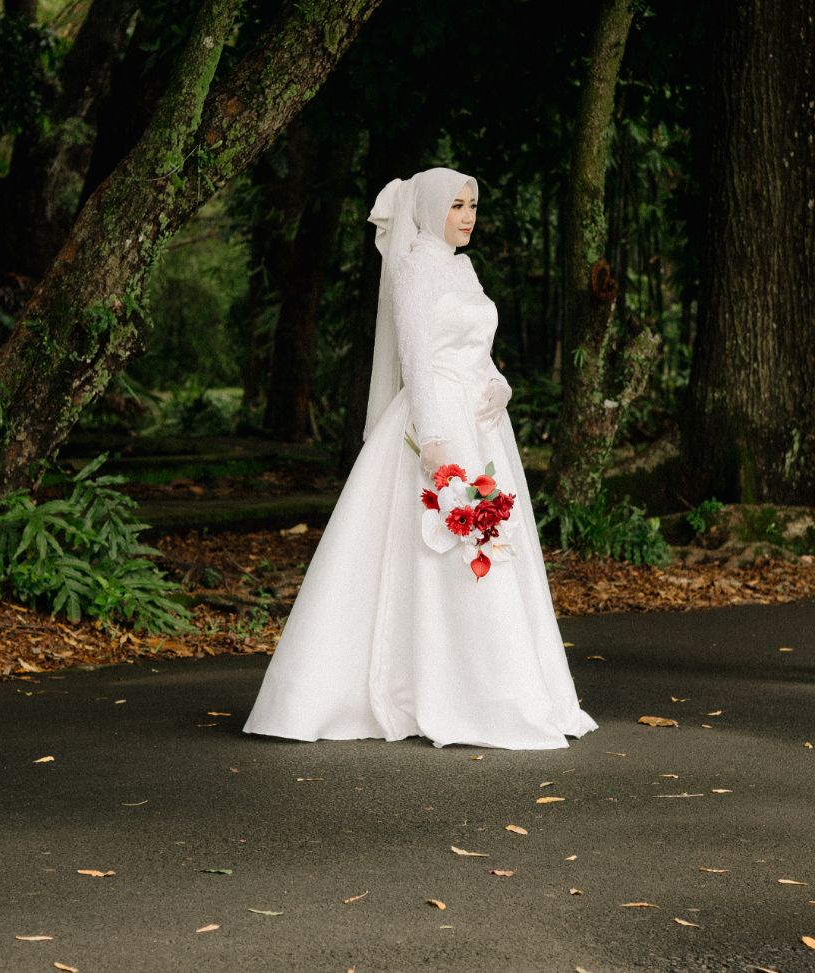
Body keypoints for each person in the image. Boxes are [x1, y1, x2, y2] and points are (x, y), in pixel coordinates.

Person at [244, 167, 597, 748]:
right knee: (439, 543)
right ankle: (425, 688)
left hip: (481, 424)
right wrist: (434, 440)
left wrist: (498, 384)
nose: (467, 216)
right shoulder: (413, 268)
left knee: (489, 546)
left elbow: (476, 349)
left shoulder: (463, 268)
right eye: (456, 205)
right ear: (431, 210)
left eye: (472, 205)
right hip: (435, 421)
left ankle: (495, 688)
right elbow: (416, 355)